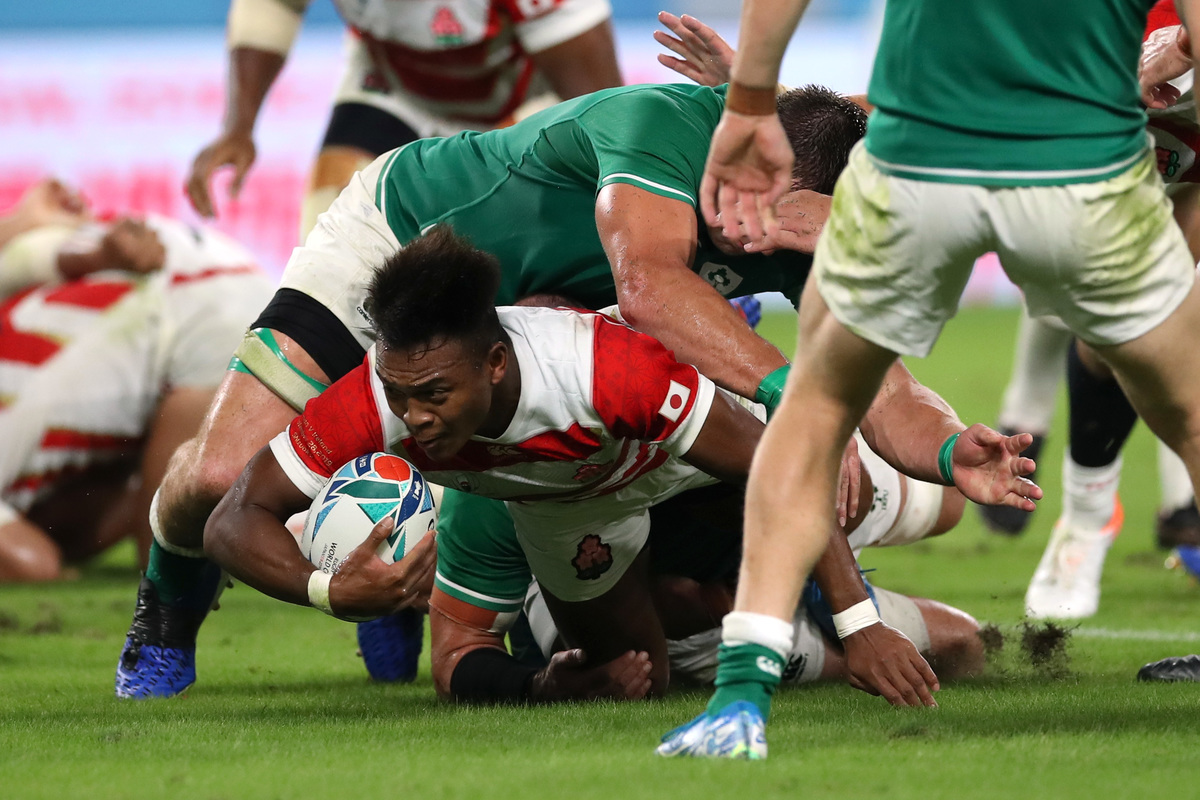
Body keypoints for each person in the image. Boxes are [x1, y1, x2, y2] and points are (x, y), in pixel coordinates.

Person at [116, 80, 1011, 700]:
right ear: (760, 171)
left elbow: (880, 381)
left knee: (562, 431)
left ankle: (417, 557)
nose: (792, 241)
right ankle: (168, 605)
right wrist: (790, 396)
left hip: (528, 337)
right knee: (220, 474)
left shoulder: (806, 218)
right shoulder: (660, 130)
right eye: (794, 219)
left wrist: (947, 449)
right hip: (401, 241)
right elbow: (649, 287)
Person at [661, 0, 1200, 760]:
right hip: (1080, 163)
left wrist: (750, 97)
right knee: (1193, 412)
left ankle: (738, 702)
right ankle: (1083, 515)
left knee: (815, 410)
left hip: (920, 160)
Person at [203, 228, 1021, 702]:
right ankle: (772, 593)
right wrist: (327, 590)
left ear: (496, 364)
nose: (412, 416)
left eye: (434, 394)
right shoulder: (377, 403)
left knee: (932, 504)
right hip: (579, 510)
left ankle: (829, 581)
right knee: (640, 678)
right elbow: (232, 518)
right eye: (399, 393)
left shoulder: (602, 371)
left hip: (693, 455)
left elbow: (779, 462)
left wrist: (860, 626)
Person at [0, 179, 272, 583]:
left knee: (167, 564)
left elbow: (32, 563)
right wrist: (89, 250)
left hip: (197, 312)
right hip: (194, 260)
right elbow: (26, 258)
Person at [186, 0, 623, 239]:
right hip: (393, 86)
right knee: (330, 235)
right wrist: (238, 127)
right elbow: (275, 5)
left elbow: (605, 110)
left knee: (518, 264)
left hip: (519, 102)